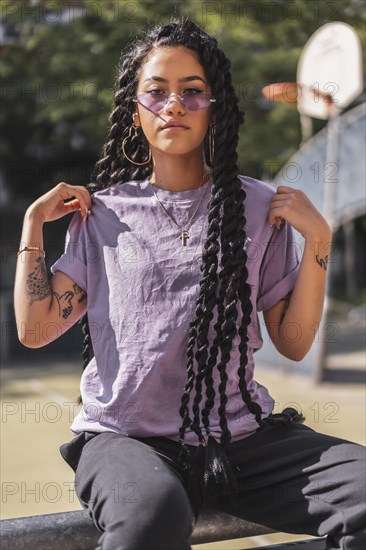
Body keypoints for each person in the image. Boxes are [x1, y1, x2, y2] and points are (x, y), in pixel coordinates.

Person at [14, 17, 365, 550]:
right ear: (136, 111)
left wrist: (317, 239)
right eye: (156, 92)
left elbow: (292, 344)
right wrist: (32, 229)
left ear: (215, 106)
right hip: (126, 441)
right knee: (152, 516)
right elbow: (34, 330)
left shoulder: (255, 208)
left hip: (239, 441)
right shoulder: (102, 214)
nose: (173, 104)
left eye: (192, 91)